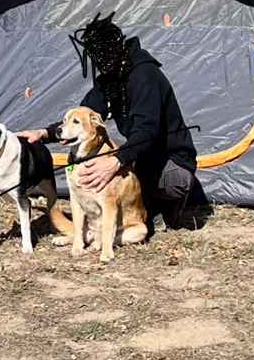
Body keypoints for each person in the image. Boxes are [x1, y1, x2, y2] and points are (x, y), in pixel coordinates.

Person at [20, 14, 203, 230]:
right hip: (142, 157)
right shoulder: (109, 79)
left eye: (104, 53)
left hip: (171, 162)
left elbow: (147, 132)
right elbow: (82, 117)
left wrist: (117, 161)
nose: (101, 61)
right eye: (97, 56)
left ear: (118, 46)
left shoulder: (145, 76)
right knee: (108, 155)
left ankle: (164, 207)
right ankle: (131, 208)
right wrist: (45, 133)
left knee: (140, 169)